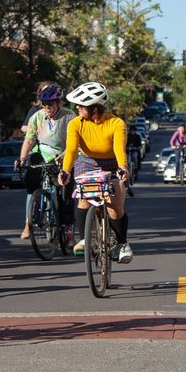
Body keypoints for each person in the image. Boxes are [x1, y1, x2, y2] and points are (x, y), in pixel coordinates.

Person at [58, 81, 133, 263]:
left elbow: (119, 149)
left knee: (114, 208)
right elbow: (71, 150)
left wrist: (123, 168)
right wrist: (65, 171)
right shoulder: (75, 123)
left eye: (81, 105)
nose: (77, 108)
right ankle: (84, 239)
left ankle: (122, 244)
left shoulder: (116, 123)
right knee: (84, 198)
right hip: (87, 162)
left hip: (113, 163)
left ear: (94, 108)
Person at [16, 82, 69, 239]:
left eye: (51, 103)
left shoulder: (69, 117)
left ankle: (66, 225)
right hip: (41, 156)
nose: (47, 107)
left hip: (62, 156)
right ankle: (29, 221)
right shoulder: (36, 117)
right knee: (31, 185)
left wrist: (66, 154)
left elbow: (75, 141)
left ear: (59, 103)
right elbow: (29, 140)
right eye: (44, 104)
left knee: (64, 193)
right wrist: (22, 159)